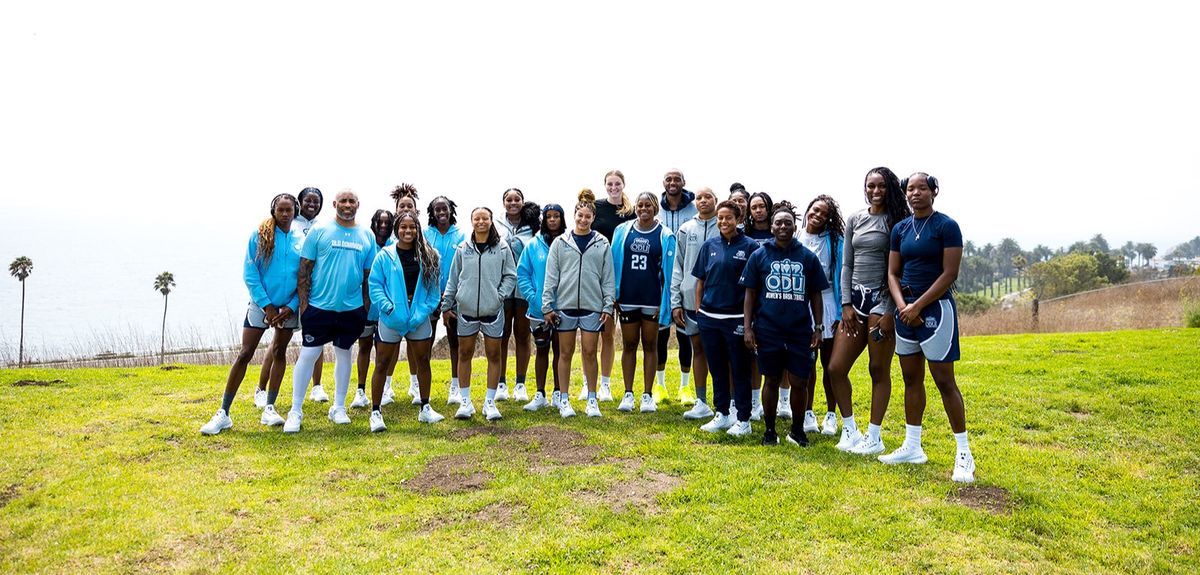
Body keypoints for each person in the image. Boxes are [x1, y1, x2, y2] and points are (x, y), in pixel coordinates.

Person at [879, 172, 975, 484]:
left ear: (934, 192)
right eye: (910, 189)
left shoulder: (946, 226)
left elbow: (950, 273)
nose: (915, 193)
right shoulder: (900, 229)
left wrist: (918, 306)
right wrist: (902, 307)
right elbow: (893, 273)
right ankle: (912, 446)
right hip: (905, 313)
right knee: (911, 379)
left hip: (936, 312)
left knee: (945, 382)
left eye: (922, 188)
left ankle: (963, 454)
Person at [201, 194, 303, 435]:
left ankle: (270, 408)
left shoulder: (302, 238)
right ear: (274, 211)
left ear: (295, 212)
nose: (285, 214)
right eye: (281, 210)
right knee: (245, 353)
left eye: (289, 210)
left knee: (279, 352)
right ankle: (223, 413)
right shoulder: (259, 236)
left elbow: (305, 277)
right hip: (261, 306)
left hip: (288, 307)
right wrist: (267, 305)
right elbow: (250, 273)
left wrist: (292, 305)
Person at [827, 167, 910, 456]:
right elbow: (846, 265)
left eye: (882, 186)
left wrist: (890, 311)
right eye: (870, 186)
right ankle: (850, 429)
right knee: (836, 368)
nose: (875, 191)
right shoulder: (855, 219)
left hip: (881, 303)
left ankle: (874, 435)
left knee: (878, 369)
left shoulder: (898, 223)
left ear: (891, 188)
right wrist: (846, 304)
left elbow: (898, 270)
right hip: (855, 303)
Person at [284, 189, 379, 432]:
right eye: (343, 201)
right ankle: (295, 410)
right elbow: (305, 269)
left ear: (358, 204)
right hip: (319, 307)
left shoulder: (366, 235)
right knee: (308, 355)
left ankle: (338, 407)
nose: (347, 205)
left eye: (352, 201)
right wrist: (305, 306)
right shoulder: (319, 231)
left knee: (344, 354)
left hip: (351, 309)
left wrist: (365, 307)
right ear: (335, 204)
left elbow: (368, 276)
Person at [740, 205, 829, 445]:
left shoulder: (807, 256)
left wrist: (818, 327)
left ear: (794, 226)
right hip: (768, 329)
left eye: (787, 223)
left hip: (800, 330)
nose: (782, 227)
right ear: (771, 227)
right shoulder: (759, 255)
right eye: (778, 223)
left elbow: (816, 294)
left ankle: (797, 430)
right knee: (771, 378)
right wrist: (748, 328)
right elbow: (750, 293)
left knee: (800, 380)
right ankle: (770, 431)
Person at [366, 209, 445, 431]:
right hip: (392, 318)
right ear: (396, 229)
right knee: (382, 362)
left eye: (412, 227)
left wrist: (423, 311)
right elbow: (375, 286)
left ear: (418, 229)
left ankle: (425, 408)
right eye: (403, 227)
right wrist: (387, 307)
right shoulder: (384, 256)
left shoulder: (430, 255)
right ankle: (375, 411)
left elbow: (433, 292)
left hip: (418, 318)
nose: (407, 231)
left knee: (423, 361)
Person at [542, 189, 616, 418]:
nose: (583, 220)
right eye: (580, 215)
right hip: (564, 305)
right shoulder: (560, 243)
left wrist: (608, 305)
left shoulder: (601, 242)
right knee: (565, 353)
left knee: (590, 351)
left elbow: (608, 277)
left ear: (593, 218)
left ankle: (592, 399)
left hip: (592, 306)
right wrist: (547, 305)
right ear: (574, 215)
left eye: (588, 216)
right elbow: (551, 276)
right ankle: (564, 400)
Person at [441, 207, 517, 421]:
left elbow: (511, 276)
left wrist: (498, 296)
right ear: (472, 221)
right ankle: (465, 402)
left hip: (492, 311)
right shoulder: (462, 249)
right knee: (465, 354)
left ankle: (490, 402)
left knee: (494, 355)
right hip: (465, 311)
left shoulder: (502, 248)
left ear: (491, 221)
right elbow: (453, 279)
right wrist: (447, 305)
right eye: (477, 218)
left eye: (485, 218)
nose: (481, 222)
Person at [692, 201, 760, 437]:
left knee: (739, 369)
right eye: (720, 218)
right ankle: (722, 413)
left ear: (738, 219)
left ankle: (743, 418)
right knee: (717, 367)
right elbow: (699, 280)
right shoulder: (709, 245)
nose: (723, 222)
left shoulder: (750, 247)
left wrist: (750, 320)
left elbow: (755, 286)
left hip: (737, 319)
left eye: (728, 218)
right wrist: (699, 310)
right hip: (709, 318)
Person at [255, 186, 324, 405]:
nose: (312, 205)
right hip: (289, 295)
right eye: (308, 201)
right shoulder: (289, 225)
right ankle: (261, 389)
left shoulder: (322, 227)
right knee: (278, 343)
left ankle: (317, 386)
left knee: (315, 337)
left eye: (316, 201)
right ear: (299, 204)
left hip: (313, 291)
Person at [611, 192, 676, 413]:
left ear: (655, 207)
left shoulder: (664, 235)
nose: (644, 208)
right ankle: (628, 394)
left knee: (650, 345)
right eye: (640, 205)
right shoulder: (623, 231)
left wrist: (665, 302)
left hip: (652, 299)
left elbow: (668, 272)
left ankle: (647, 395)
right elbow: (612, 264)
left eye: (648, 205)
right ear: (635, 207)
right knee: (629, 345)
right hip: (627, 297)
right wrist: (613, 295)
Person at [796, 195, 846, 440]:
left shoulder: (835, 241)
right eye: (815, 210)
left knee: (829, 364)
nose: (818, 216)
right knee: (806, 362)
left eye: (824, 214)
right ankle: (807, 413)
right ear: (808, 209)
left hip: (827, 302)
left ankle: (830, 414)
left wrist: (839, 312)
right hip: (800, 303)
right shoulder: (795, 235)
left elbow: (842, 274)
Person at [670, 187, 718, 421]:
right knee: (697, 349)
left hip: (721, 300)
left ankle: (727, 402)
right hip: (690, 297)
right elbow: (677, 266)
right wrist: (675, 301)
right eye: (699, 197)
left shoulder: (727, 225)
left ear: (716, 201)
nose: (703, 201)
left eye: (707, 197)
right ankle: (701, 401)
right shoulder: (685, 229)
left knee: (723, 353)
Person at [588, 170, 636, 402]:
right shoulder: (595, 207)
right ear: (605, 185)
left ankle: (605, 384)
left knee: (609, 334)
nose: (614, 187)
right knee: (592, 332)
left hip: (624, 276)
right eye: (610, 184)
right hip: (596, 276)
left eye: (618, 183)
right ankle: (590, 383)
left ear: (624, 185)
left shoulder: (631, 212)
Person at [517, 203, 566, 411]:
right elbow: (523, 273)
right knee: (542, 349)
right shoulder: (533, 245)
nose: (553, 220)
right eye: (549, 217)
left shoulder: (569, 242)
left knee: (560, 351)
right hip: (538, 309)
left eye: (556, 216)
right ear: (544, 220)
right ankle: (540, 393)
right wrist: (533, 298)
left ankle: (558, 392)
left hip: (563, 306)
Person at [656, 169, 698, 404]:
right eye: (668, 179)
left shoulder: (694, 209)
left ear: (684, 182)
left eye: (677, 179)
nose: (672, 183)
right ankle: (660, 386)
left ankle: (685, 387)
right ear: (663, 183)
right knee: (660, 338)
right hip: (660, 282)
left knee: (685, 337)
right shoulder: (657, 208)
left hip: (686, 281)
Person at [496, 188, 539, 403]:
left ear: (522, 201)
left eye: (517, 199)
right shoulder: (496, 223)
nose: (513, 203)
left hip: (524, 287)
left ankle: (520, 383)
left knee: (522, 334)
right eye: (509, 200)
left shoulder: (532, 225)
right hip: (502, 286)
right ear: (503, 202)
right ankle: (501, 382)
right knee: (502, 334)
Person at [424, 196, 467, 405]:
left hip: (453, 295)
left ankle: (456, 385)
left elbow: (463, 266)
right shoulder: (425, 234)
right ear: (432, 212)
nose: (441, 213)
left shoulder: (461, 235)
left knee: (454, 340)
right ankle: (422, 387)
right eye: (437, 209)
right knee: (426, 341)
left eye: (445, 209)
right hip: (429, 295)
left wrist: (450, 293)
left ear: (451, 210)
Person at [351, 209, 395, 410]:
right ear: (374, 223)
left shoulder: (395, 246)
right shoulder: (367, 244)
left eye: (387, 222)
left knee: (385, 350)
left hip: (388, 307)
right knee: (365, 346)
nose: (384, 226)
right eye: (380, 222)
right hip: (367, 306)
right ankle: (360, 390)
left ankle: (385, 387)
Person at [391, 184, 422, 403]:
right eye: (401, 205)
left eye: (409, 205)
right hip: (393, 306)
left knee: (416, 346)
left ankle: (415, 385)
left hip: (418, 304)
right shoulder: (390, 239)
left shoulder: (422, 238)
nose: (405, 208)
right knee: (389, 347)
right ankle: (386, 386)